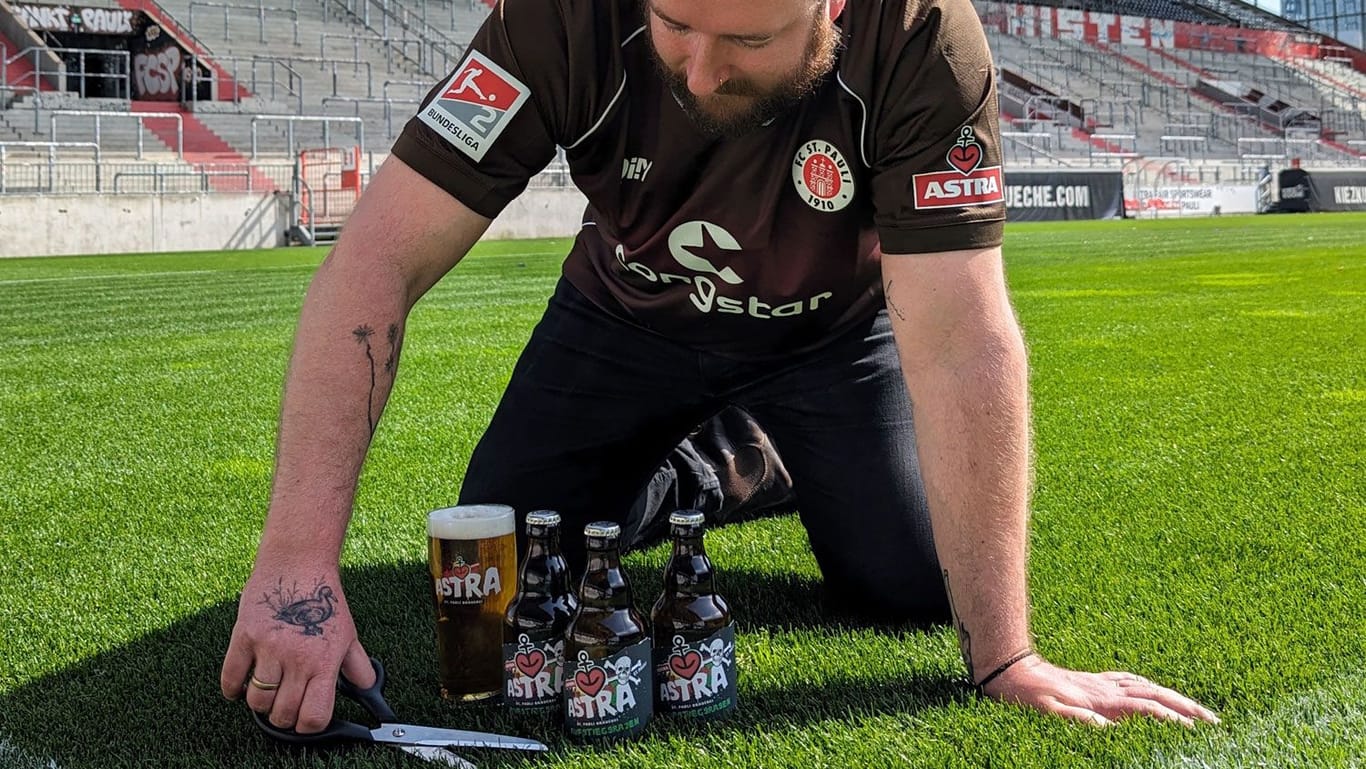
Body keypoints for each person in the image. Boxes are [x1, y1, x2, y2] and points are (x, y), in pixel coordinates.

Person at [221, 0, 1220, 734]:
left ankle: (772, 448)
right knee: (520, 570)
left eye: (746, 40)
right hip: (621, 316)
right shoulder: (554, 16)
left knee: (912, 585)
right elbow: (370, 269)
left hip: (831, 336)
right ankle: (718, 461)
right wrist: (296, 570)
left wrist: (1005, 652)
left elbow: (961, 341)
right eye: (673, 24)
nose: (698, 72)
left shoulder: (922, 38)